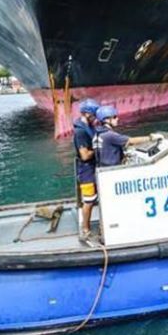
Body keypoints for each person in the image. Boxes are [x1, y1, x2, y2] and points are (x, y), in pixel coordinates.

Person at [94, 105, 164, 167]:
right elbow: (130, 141)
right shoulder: (109, 135)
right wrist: (151, 138)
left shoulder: (97, 134)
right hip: (112, 171)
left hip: (102, 169)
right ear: (106, 120)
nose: (117, 119)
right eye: (114, 117)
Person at [73, 99, 100, 237]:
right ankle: (85, 229)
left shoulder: (89, 127)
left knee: (95, 198)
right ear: (87, 114)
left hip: (92, 169)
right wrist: (99, 149)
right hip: (86, 171)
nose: (96, 118)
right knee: (88, 201)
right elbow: (84, 155)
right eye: (94, 115)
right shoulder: (81, 132)